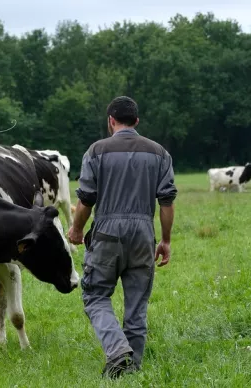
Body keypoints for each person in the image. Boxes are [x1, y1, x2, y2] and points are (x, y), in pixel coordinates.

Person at [68, 96, 176, 379]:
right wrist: (165, 240)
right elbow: (167, 201)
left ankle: (116, 350)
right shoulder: (160, 153)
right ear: (137, 121)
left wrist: (77, 230)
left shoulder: (96, 151)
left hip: (106, 233)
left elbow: (87, 198)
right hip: (143, 235)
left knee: (95, 295)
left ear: (111, 121)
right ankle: (132, 370)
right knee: (137, 304)